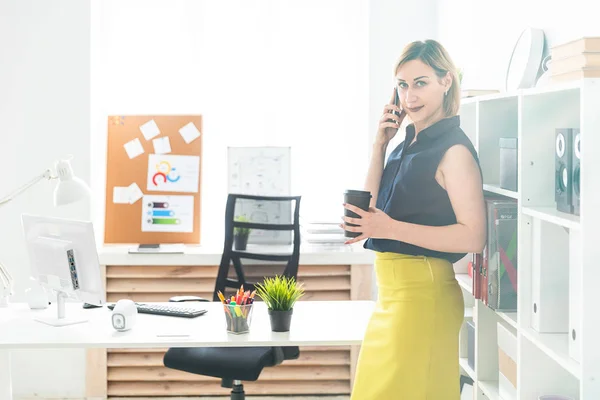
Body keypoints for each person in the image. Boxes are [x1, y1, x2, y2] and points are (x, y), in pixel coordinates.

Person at [341, 39, 486, 399]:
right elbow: (369, 208)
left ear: (446, 81)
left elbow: (473, 237)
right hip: (391, 296)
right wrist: (379, 144)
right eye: (402, 85)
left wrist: (387, 227)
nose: (409, 96)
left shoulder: (453, 150)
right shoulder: (406, 143)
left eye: (421, 83)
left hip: (423, 298)